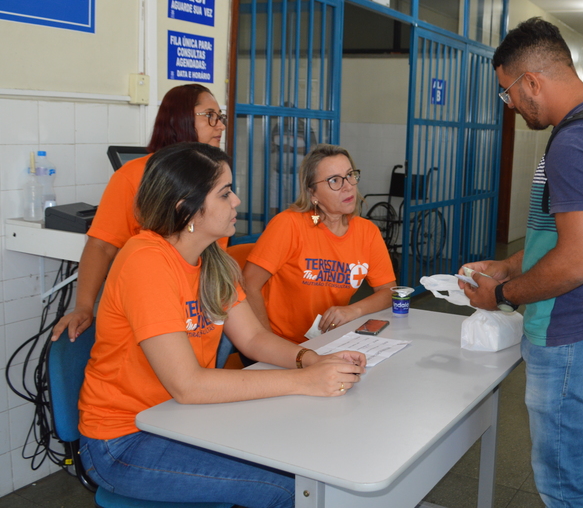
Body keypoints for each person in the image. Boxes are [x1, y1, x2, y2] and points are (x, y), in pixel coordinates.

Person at [78, 142, 366, 508]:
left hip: (182, 420)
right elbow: (187, 385)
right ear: (186, 207)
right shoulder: (145, 261)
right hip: (124, 440)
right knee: (289, 490)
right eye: (225, 193)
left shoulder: (212, 259)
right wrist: (303, 381)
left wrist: (311, 360)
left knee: (307, 460)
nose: (237, 202)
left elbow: (254, 338)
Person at [458, 17, 583, 508]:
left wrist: (499, 295)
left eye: (508, 92)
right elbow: (565, 239)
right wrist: (511, 266)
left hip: (575, 333)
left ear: (532, 81)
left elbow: (580, 260)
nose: (510, 105)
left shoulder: (577, 142)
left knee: (564, 484)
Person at [52, 84, 227, 342]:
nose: (220, 126)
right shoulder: (134, 176)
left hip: (200, 313)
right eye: (209, 115)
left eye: (220, 117)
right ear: (179, 119)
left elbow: (216, 255)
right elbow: (101, 246)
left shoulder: (215, 177)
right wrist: (84, 306)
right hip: (151, 310)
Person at [243, 144, 396, 344]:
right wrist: (267, 343)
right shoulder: (288, 225)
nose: (348, 186)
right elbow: (248, 284)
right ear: (312, 193)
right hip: (281, 341)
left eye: (350, 175)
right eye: (334, 181)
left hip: (326, 342)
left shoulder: (367, 232)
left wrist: (353, 310)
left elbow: (389, 292)